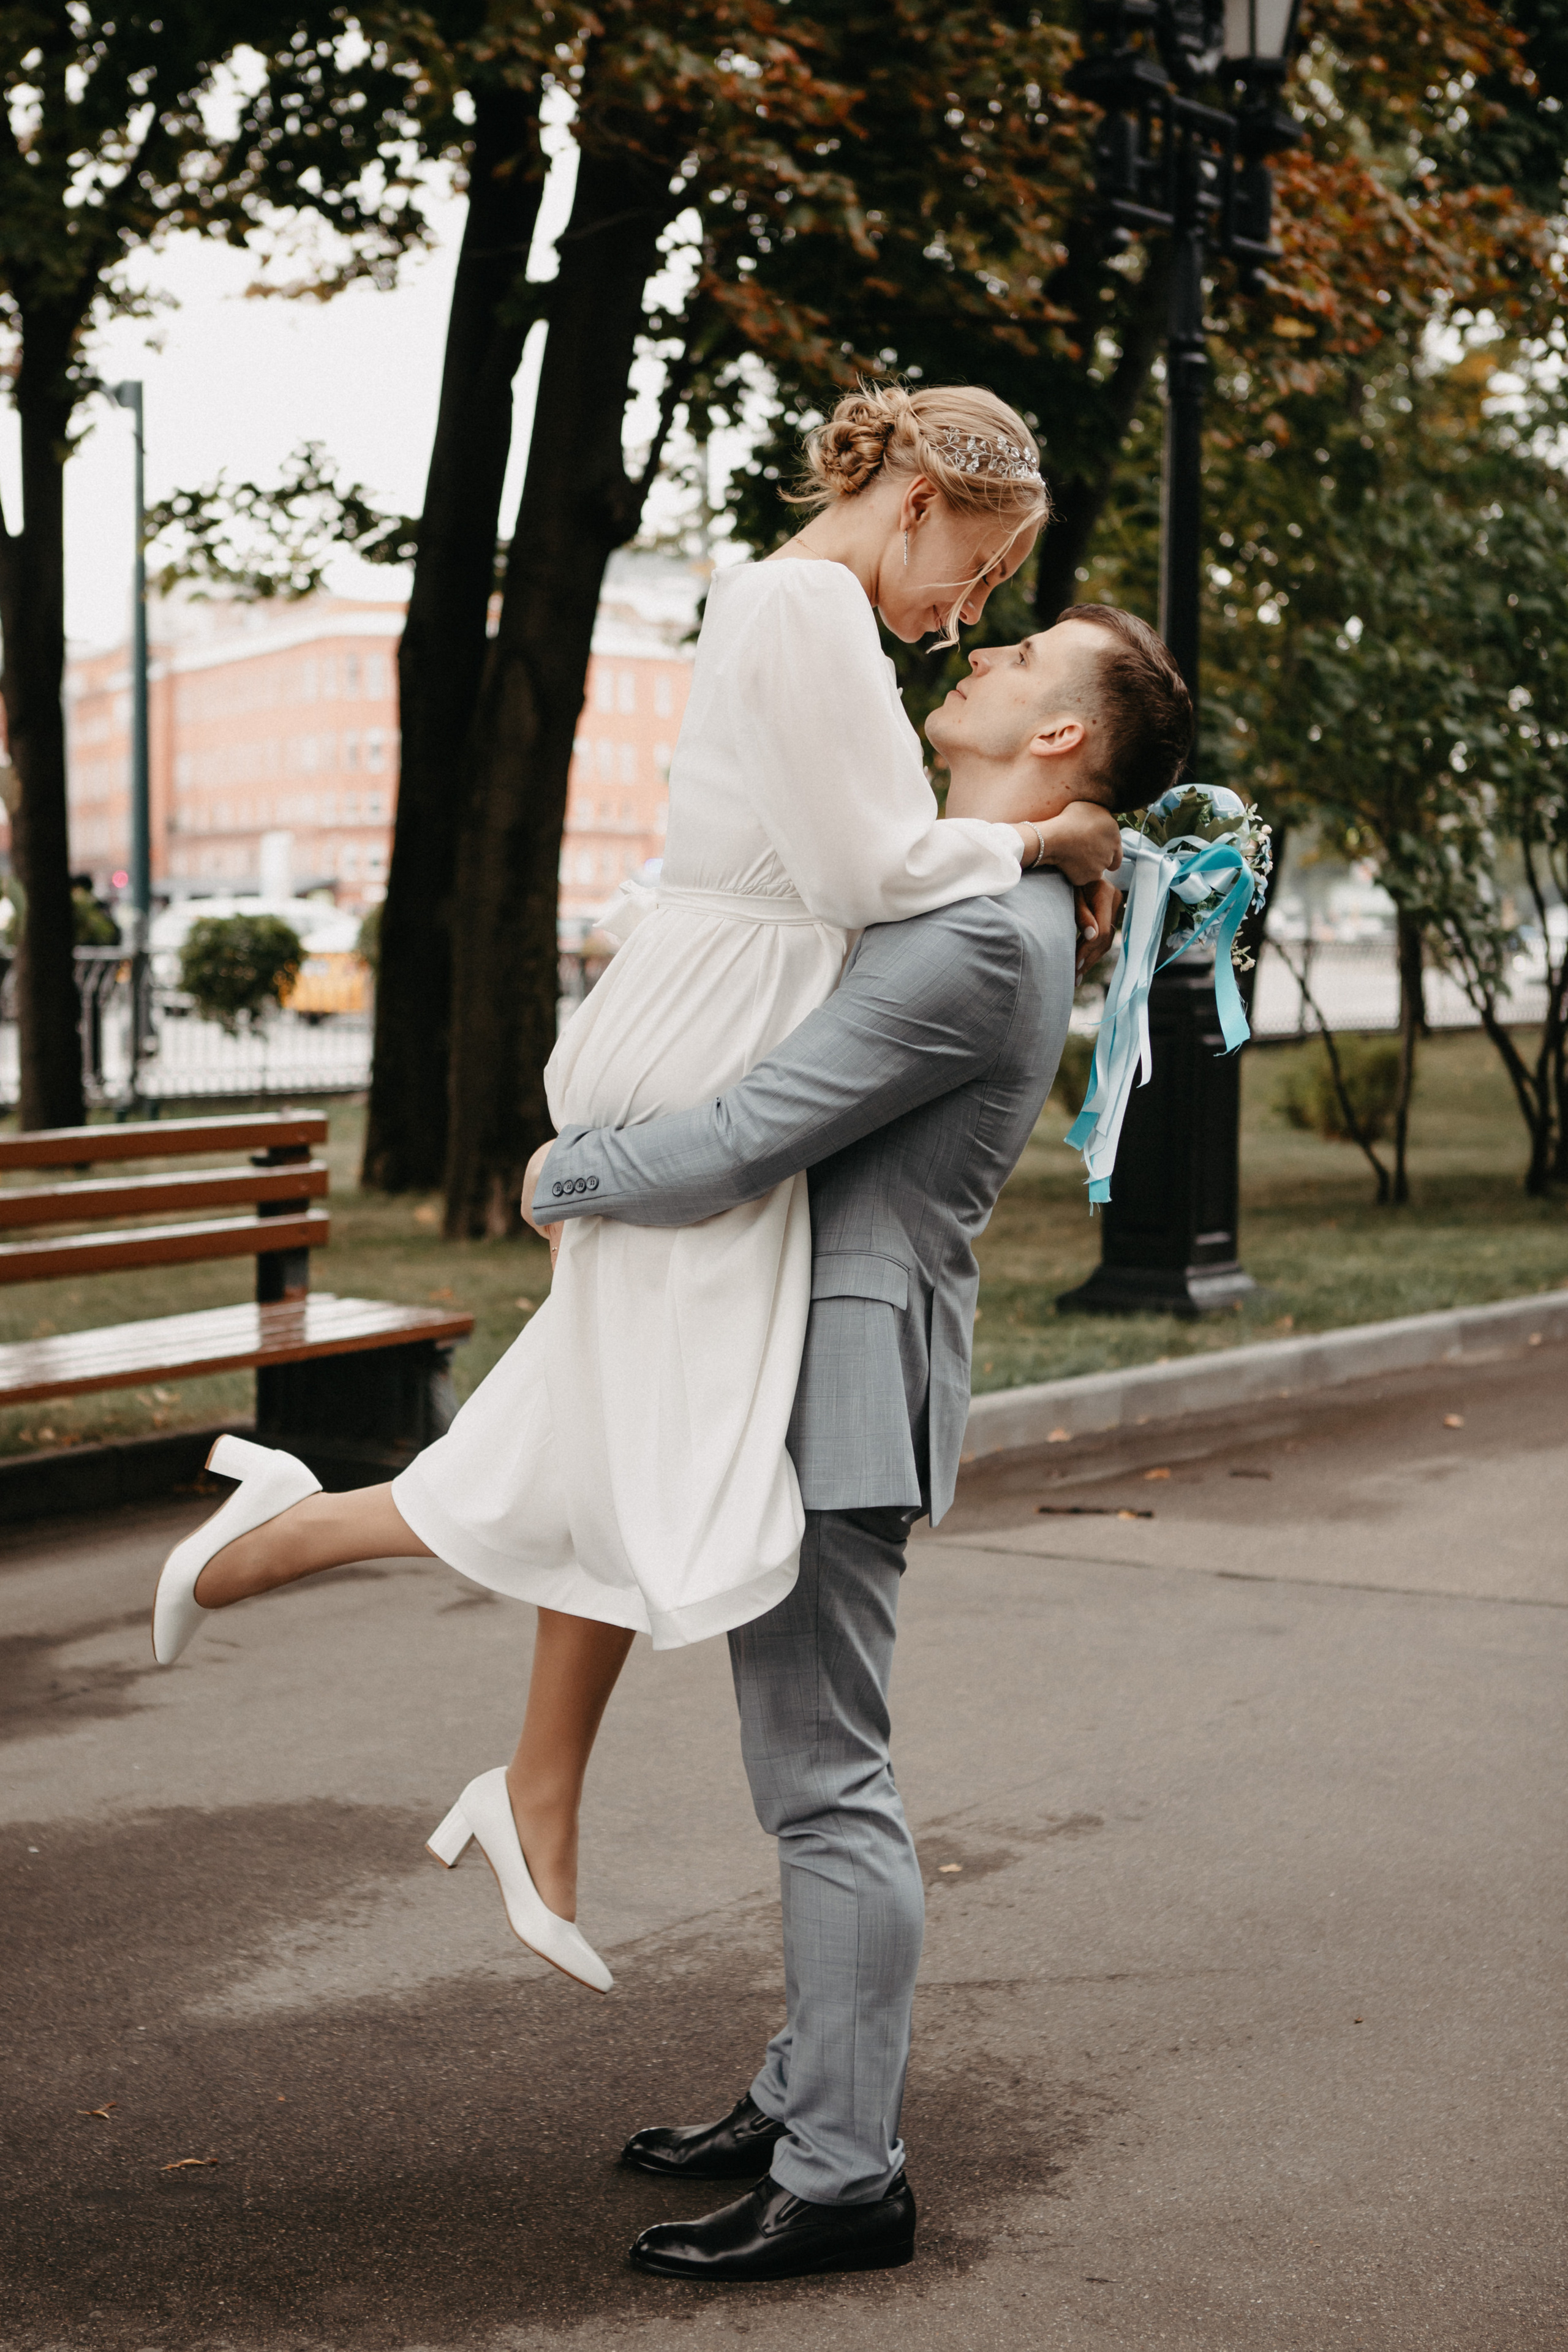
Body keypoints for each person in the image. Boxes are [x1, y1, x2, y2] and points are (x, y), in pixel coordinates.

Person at [149, 382, 1121, 2000]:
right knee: (644, 1455)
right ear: (919, 503)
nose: (971, 613)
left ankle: (521, 1781)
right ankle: (316, 1571)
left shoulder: (805, 613)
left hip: (699, 1022)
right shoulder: (807, 609)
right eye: (978, 569)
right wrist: (1055, 839)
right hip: (696, 1054)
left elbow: (863, 865)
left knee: (609, 1437)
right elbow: (864, 878)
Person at [526, 602, 1194, 2281]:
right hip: (831, 1367)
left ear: (1058, 738)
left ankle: (843, 2175)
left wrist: (561, 1178)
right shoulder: (986, 882)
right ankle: (806, 2090)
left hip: (841, 1386)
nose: (977, 657)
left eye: (1018, 656)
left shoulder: (980, 935)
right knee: (817, 1770)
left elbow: (758, 1128)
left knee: (826, 1784)